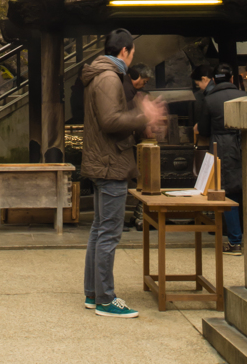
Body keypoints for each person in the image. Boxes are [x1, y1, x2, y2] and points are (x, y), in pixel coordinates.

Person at [82, 29, 166, 318]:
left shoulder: (102, 74)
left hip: (104, 161)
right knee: (108, 233)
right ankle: (105, 298)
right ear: (126, 51)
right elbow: (110, 120)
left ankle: (93, 294)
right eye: (133, 53)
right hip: (110, 163)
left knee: (99, 231)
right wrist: (145, 115)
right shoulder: (108, 77)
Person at [192, 61, 243, 254]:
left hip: (222, 147)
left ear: (213, 79)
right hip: (243, 145)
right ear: (231, 78)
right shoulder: (243, 96)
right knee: (245, 191)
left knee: (227, 193)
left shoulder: (210, 100)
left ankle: (235, 240)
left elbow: (203, 129)